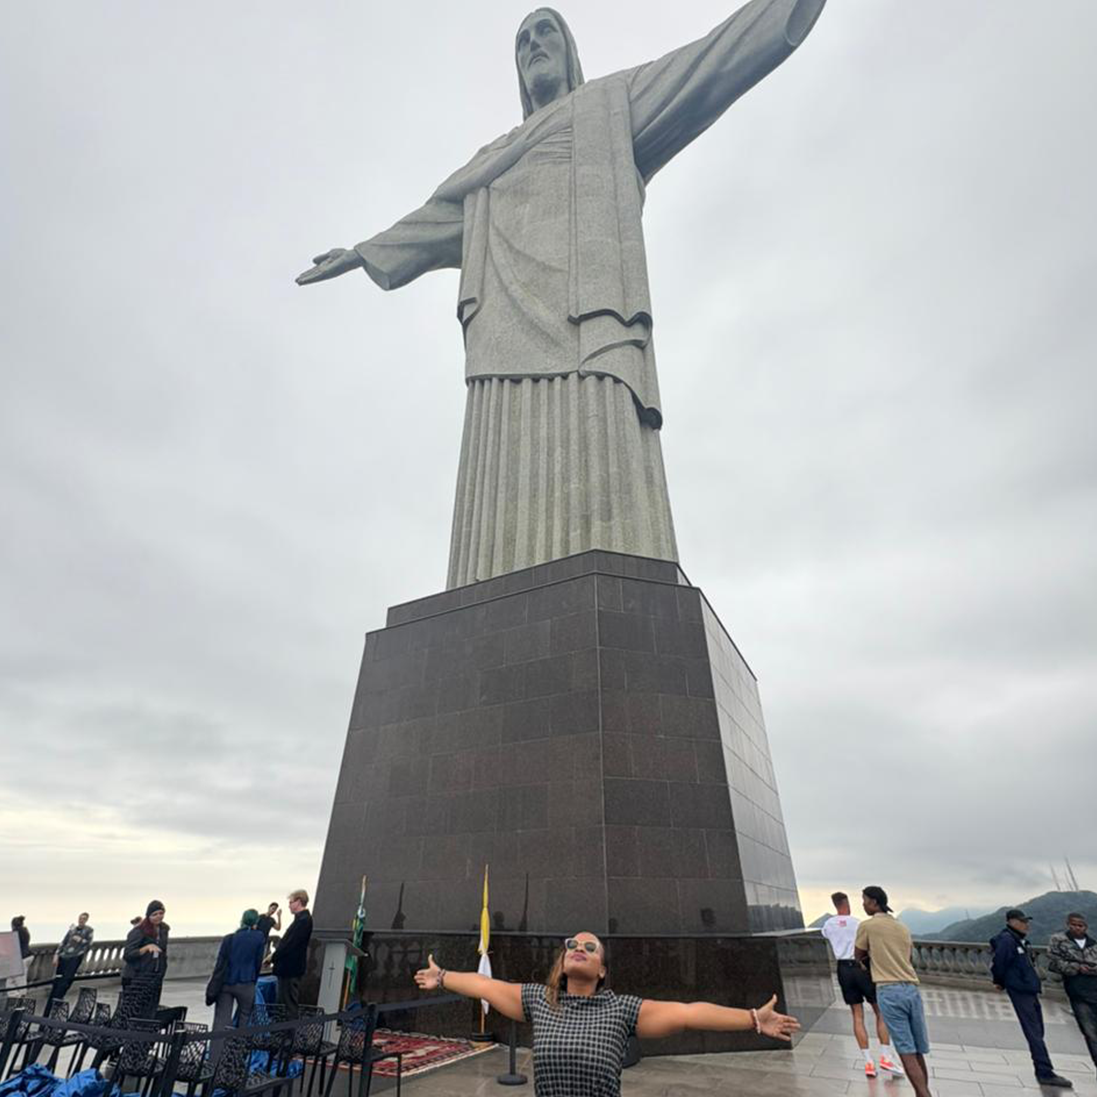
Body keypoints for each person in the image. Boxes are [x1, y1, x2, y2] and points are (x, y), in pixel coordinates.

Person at [295, 0, 828, 590]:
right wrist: (362, 251)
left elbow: (708, 64)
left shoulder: (611, 104)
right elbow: (433, 219)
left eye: (544, 32)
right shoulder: (491, 161)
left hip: (591, 326)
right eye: (522, 42)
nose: (533, 46)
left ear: (569, 49)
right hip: (502, 345)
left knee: (605, 485)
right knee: (498, 492)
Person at [414, 930, 800, 1097]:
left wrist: (752, 1018)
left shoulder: (621, 1009)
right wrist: (442, 976)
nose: (578, 949)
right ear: (563, 961)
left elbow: (687, 1013)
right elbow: (484, 986)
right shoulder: (539, 1000)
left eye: (590, 947)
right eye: (572, 945)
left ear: (601, 970)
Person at [854, 887, 932, 1097]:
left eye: (864, 900)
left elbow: (858, 955)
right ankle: (923, 1092)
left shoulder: (867, 926)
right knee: (917, 1049)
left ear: (873, 902)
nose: (863, 904)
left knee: (905, 1050)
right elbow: (908, 958)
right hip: (911, 989)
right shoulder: (902, 926)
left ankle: (924, 1095)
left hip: (888, 990)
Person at [821, 891, 902, 1078]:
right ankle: (885, 1056)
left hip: (843, 969)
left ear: (835, 904)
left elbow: (826, 935)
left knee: (857, 1015)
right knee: (880, 1011)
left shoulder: (828, 925)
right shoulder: (858, 923)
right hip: (861, 967)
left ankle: (868, 1062)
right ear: (847, 903)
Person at [990, 909, 1073, 1088]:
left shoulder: (1019, 940)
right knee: (1033, 1031)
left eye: (1026, 921)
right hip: (1020, 989)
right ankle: (1044, 1071)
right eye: (1022, 921)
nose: (1026, 925)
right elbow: (999, 962)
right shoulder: (1007, 940)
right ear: (1011, 921)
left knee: (1037, 1029)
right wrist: (999, 981)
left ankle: (1043, 1067)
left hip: (1028, 988)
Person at [211, 910, 266, 1051]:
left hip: (226, 982)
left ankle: (215, 1056)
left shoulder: (229, 939)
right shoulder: (259, 937)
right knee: (244, 1018)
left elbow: (220, 964)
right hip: (247, 982)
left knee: (221, 1021)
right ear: (255, 922)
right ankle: (238, 1053)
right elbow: (258, 962)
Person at [1048, 913, 1097, 1071]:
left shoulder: (1093, 944)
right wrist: (1076, 968)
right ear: (1068, 924)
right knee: (1089, 1031)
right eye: (1074, 924)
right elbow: (1054, 963)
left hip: (1094, 988)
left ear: (1085, 927)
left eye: (1080, 925)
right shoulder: (1059, 940)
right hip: (1077, 992)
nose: (1077, 928)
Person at [271, 889, 312, 1018]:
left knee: (288, 1004)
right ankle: (285, 1028)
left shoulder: (303, 921)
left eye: (290, 902)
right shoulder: (301, 920)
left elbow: (289, 945)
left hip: (290, 969)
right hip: (289, 969)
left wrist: (273, 957)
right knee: (284, 1003)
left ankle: (289, 1029)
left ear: (298, 902)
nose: (289, 905)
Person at [122, 901, 170, 1008]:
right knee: (134, 1009)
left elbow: (163, 951)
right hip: (136, 976)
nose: (158, 916)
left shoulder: (164, 929)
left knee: (151, 1007)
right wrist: (146, 948)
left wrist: (162, 970)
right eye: (154, 914)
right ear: (148, 915)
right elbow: (127, 955)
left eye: (161, 913)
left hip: (154, 977)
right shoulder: (139, 931)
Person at [50, 913, 94, 1002]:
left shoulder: (89, 930)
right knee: (58, 978)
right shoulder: (72, 930)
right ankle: (53, 996)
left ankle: (59, 996)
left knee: (68, 978)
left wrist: (80, 940)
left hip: (75, 957)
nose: (81, 920)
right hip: (64, 956)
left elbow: (89, 944)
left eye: (84, 919)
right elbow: (64, 942)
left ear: (86, 920)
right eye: (80, 918)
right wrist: (57, 954)